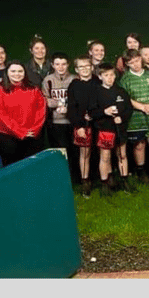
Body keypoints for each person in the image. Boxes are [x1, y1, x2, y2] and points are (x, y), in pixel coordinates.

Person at [119, 49, 149, 187]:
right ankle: (141, 171)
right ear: (127, 64)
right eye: (131, 63)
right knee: (139, 145)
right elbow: (126, 99)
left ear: (141, 59)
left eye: (137, 61)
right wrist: (142, 107)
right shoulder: (125, 79)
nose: (136, 64)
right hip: (136, 117)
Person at [0, 60, 46, 167]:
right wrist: (21, 131)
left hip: (31, 133)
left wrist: (34, 129)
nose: (17, 74)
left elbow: (40, 110)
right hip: (7, 135)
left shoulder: (34, 89)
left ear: (25, 73)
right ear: (7, 73)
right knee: (12, 166)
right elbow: (1, 116)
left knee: (32, 165)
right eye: (13, 71)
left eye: (20, 71)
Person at [88, 63, 135, 196]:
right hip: (104, 129)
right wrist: (104, 111)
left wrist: (122, 117)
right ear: (100, 76)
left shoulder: (121, 91)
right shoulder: (96, 92)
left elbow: (128, 109)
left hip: (120, 129)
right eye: (106, 75)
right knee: (105, 156)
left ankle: (125, 181)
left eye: (112, 75)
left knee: (122, 154)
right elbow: (92, 112)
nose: (110, 78)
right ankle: (105, 183)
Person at [42, 52, 78, 183]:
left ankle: (75, 177)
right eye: (57, 64)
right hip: (56, 122)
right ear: (52, 65)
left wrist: (68, 107)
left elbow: (78, 99)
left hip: (72, 121)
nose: (61, 67)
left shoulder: (75, 79)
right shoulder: (48, 80)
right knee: (59, 150)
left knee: (74, 150)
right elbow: (45, 100)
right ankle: (61, 176)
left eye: (63, 64)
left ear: (68, 64)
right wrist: (60, 102)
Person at [67, 54, 99, 197]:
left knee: (102, 152)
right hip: (82, 124)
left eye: (87, 66)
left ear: (92, 67)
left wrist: (94, 114)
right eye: (81, 67)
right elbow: (72, 108)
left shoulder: (98, 82)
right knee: (84, 153)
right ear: (76, 69)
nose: (85, 69)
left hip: (99, 122)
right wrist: (78, 125)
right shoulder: (74, 85)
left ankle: (103, 178)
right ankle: (85, 180)